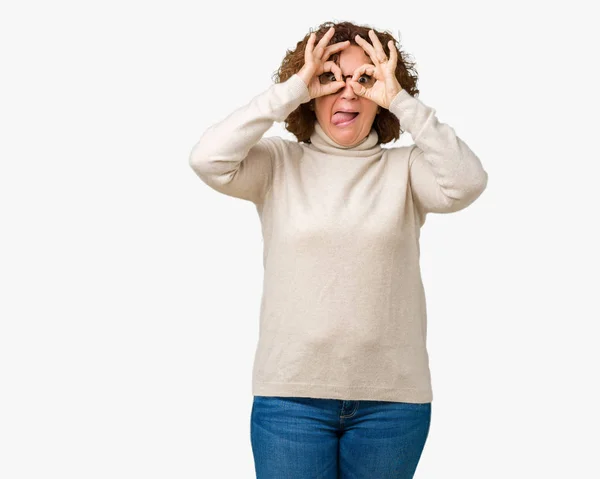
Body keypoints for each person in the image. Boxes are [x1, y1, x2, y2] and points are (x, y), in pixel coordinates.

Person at [189, 20, 488, 479]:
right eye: (330, 78)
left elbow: (467, 183)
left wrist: (402, 102)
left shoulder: (406, 169)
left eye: (365, 80)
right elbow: (207, 159)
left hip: (392, 405)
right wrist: (292, 89)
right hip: (290, 400)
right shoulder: (277, 163)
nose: (348, 94)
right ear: (310, 91)